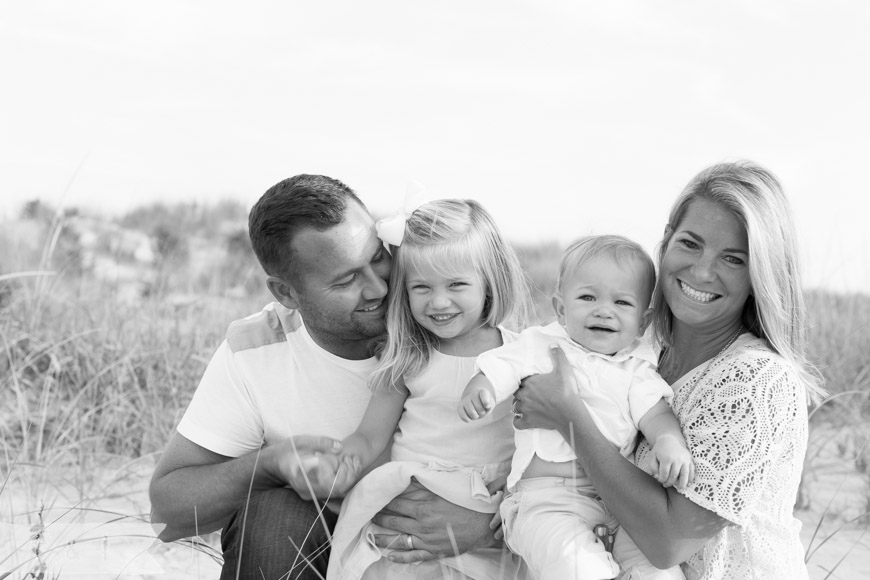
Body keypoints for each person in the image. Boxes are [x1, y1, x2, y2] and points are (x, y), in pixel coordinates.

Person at [149, 175, 503, 580]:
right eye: (346, 280)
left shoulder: (453, 324)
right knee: (274, 514)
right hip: (339, 547)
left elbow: (557, 465)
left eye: (377, 258)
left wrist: (490, 524)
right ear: (286, 293)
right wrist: (268, 466)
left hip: (462, 553)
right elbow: (167, 515)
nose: (380, 288)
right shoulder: (257, 350)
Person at [511, 161, 824, 580]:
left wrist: (570, 417)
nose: (701, 271)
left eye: (733, 259)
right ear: (666, 241)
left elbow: (668, 542)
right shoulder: (638, 354)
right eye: (690, 244)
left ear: (760, 274)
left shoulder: (758, 379)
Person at [314, 199, 532, 580]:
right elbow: (369, 435)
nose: (439, 301)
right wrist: (340, 461)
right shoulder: (410, 357)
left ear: (490, 281)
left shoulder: (522, 356)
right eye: (421, 287)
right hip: (411, 496)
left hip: (484, 503)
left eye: (457, 285)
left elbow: (539, 442)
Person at [458, 235, 691, 580]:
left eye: (622, 303)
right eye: (587, 297)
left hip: (617, 503)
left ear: (643, 322)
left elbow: (655, 413)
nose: (603, 310)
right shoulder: (543, 344)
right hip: (547, 502)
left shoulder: (636, 366)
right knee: (578, 568)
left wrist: (669, 442)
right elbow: (503, 365)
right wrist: (482, 387)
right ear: (561, 308)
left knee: (658, 572)